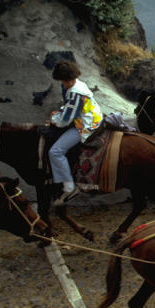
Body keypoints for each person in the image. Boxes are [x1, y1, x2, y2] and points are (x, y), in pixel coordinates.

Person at [48, 60, 103, 206]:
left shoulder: (75, 93)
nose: (65, 83)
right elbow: (69, 109)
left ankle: (69, 186)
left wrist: (54, 118)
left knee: (55, 151)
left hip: (86, 125)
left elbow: (65, 120)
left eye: (64, 81)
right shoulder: (79, 84)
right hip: (94, 117)